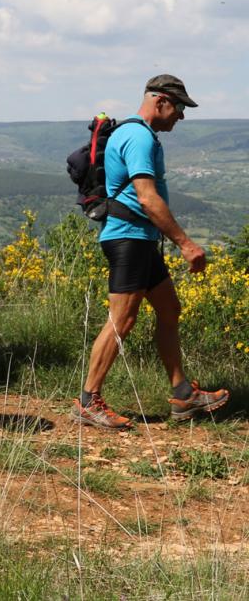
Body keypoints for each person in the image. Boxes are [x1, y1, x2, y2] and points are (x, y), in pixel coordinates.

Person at [72, 75, 230, 429]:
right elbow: (147, 196)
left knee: (169, 309)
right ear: (159, 101)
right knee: (122, 320)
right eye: (179, 108)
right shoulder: (138, 137)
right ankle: (88, 401)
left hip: (140, 239)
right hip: (129, 239)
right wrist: (186, 244)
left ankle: (183, 394)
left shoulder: (140, 135)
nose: (181, 117)